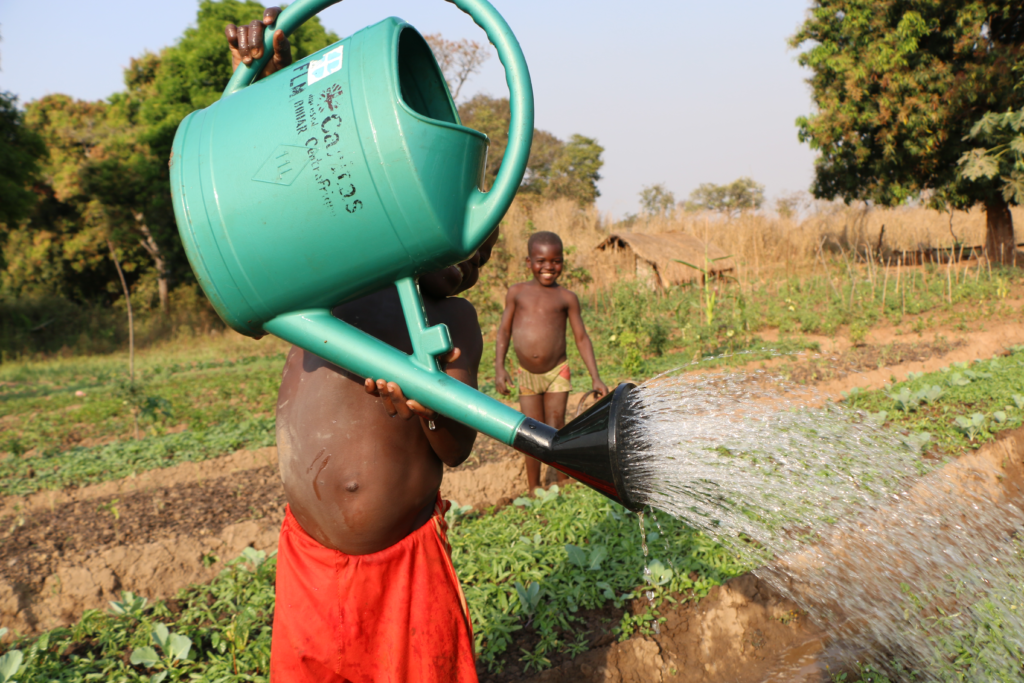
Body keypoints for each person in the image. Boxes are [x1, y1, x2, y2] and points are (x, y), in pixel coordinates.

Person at [225, 13, 492, 682]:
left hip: (400, 571)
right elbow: (279, 178)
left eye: (480, 256)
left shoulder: (452, 319)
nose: (465, 263)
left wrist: (427, 404)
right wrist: (267, 68)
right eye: (458, 235)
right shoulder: (335, 276)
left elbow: (457, 446)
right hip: (308, 561)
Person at [494, 231, 608, 491]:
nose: (548, 267)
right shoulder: (517, 293)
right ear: (528, 262)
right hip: (527, 374)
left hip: (558, 371)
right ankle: (534, 488)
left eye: (555, 261)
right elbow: (503, 331)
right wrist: (499, 367)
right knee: (530, 432)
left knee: (556, 427)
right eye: (541, 260)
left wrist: (596, 376)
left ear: (563, 262)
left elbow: (581, 337)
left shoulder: (566, 298)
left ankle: (562, 480)